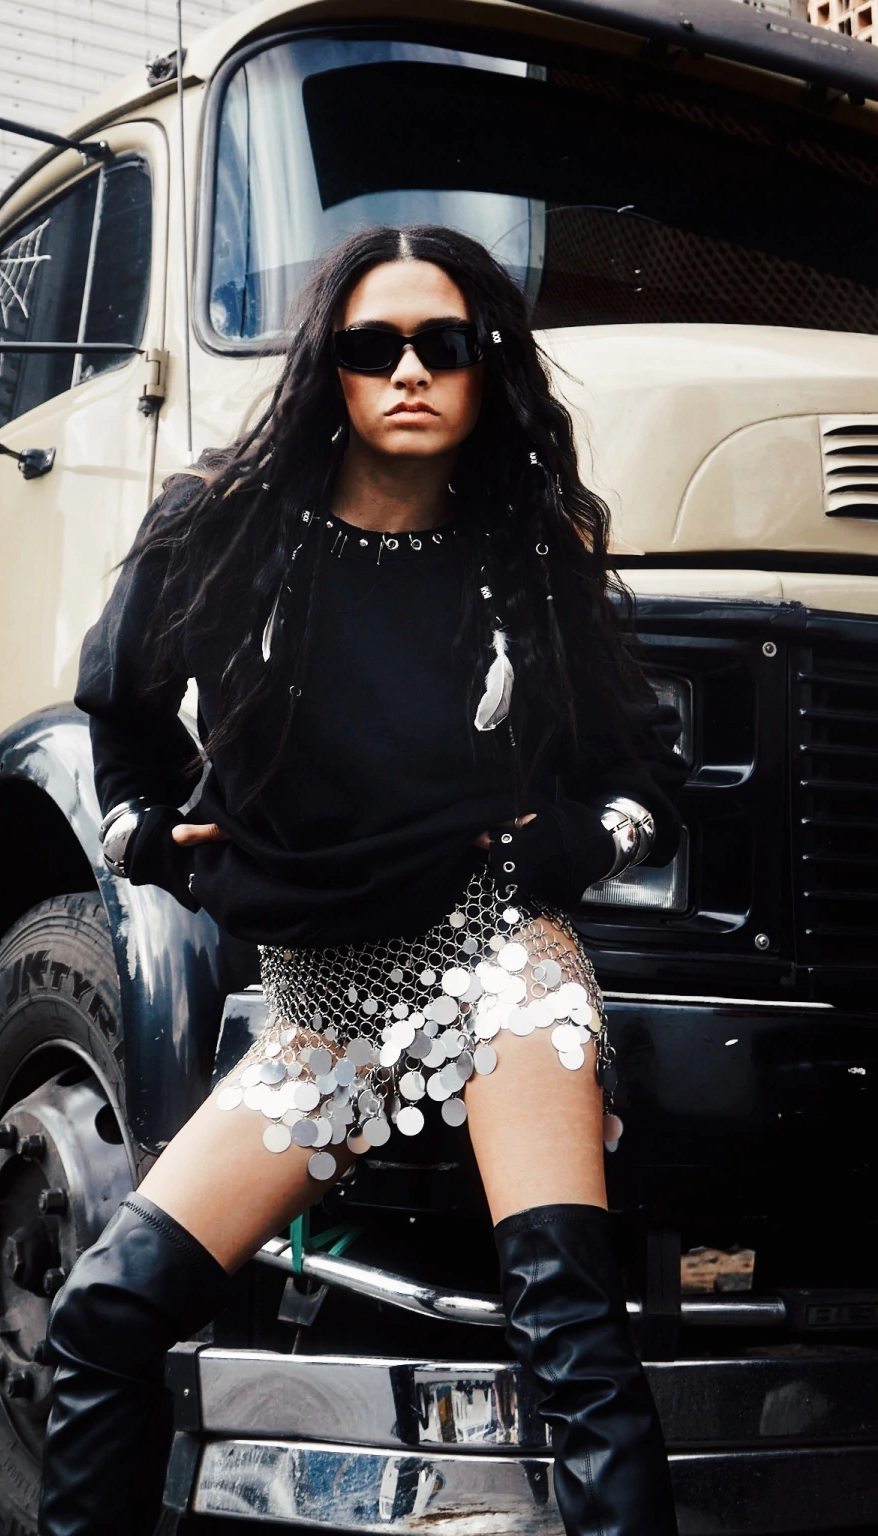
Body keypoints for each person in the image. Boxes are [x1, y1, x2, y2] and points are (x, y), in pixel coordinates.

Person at [38, 224, 688, 1536]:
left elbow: (641, 782)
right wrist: (148, 838)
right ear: (327, 366)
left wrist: (579, 845)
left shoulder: (531, 553)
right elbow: (122, 718)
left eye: (443, 344)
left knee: (566, 1321)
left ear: (486, 363)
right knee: (102, 1315)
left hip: (500, 966)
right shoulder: (223, 528)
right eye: (371, 345)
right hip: (323, 1011)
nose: (408, 371)